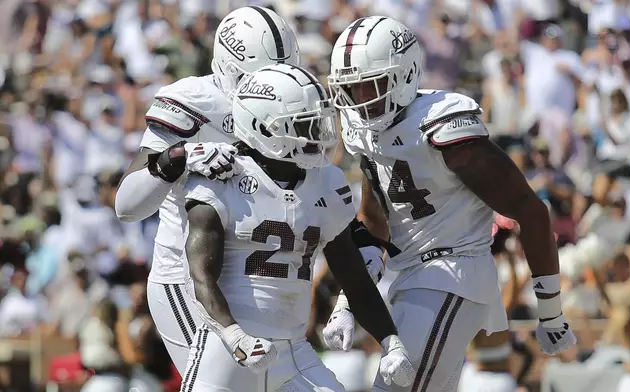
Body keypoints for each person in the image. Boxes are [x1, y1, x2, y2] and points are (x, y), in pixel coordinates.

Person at [323, 16, 577, 391]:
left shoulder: (441, 125)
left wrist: (552, 313)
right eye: (352, 88)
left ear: (405, 74)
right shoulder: (362, 132)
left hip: (453, 271)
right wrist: (348, 301)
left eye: (370, 85)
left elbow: (530, 209)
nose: (362, 100)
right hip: (411, 277)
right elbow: (374, 222)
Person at [181, 63, 415, 391]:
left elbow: (354, 276)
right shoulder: (222, 178)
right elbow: (199, 279)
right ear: (262, 126)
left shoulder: (325, 183)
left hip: (293, 349)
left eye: (316, 123)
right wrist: (235, 336)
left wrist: (391, 342)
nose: (317, 135)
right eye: (303, 126)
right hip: (227, 351)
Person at [114, 6, 301, 374]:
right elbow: (127, 204)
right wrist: (179, 158)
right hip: (187, 280)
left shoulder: (291, 102)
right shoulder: (195, 101)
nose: (274, 90)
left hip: (257, 281)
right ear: (230, 68)